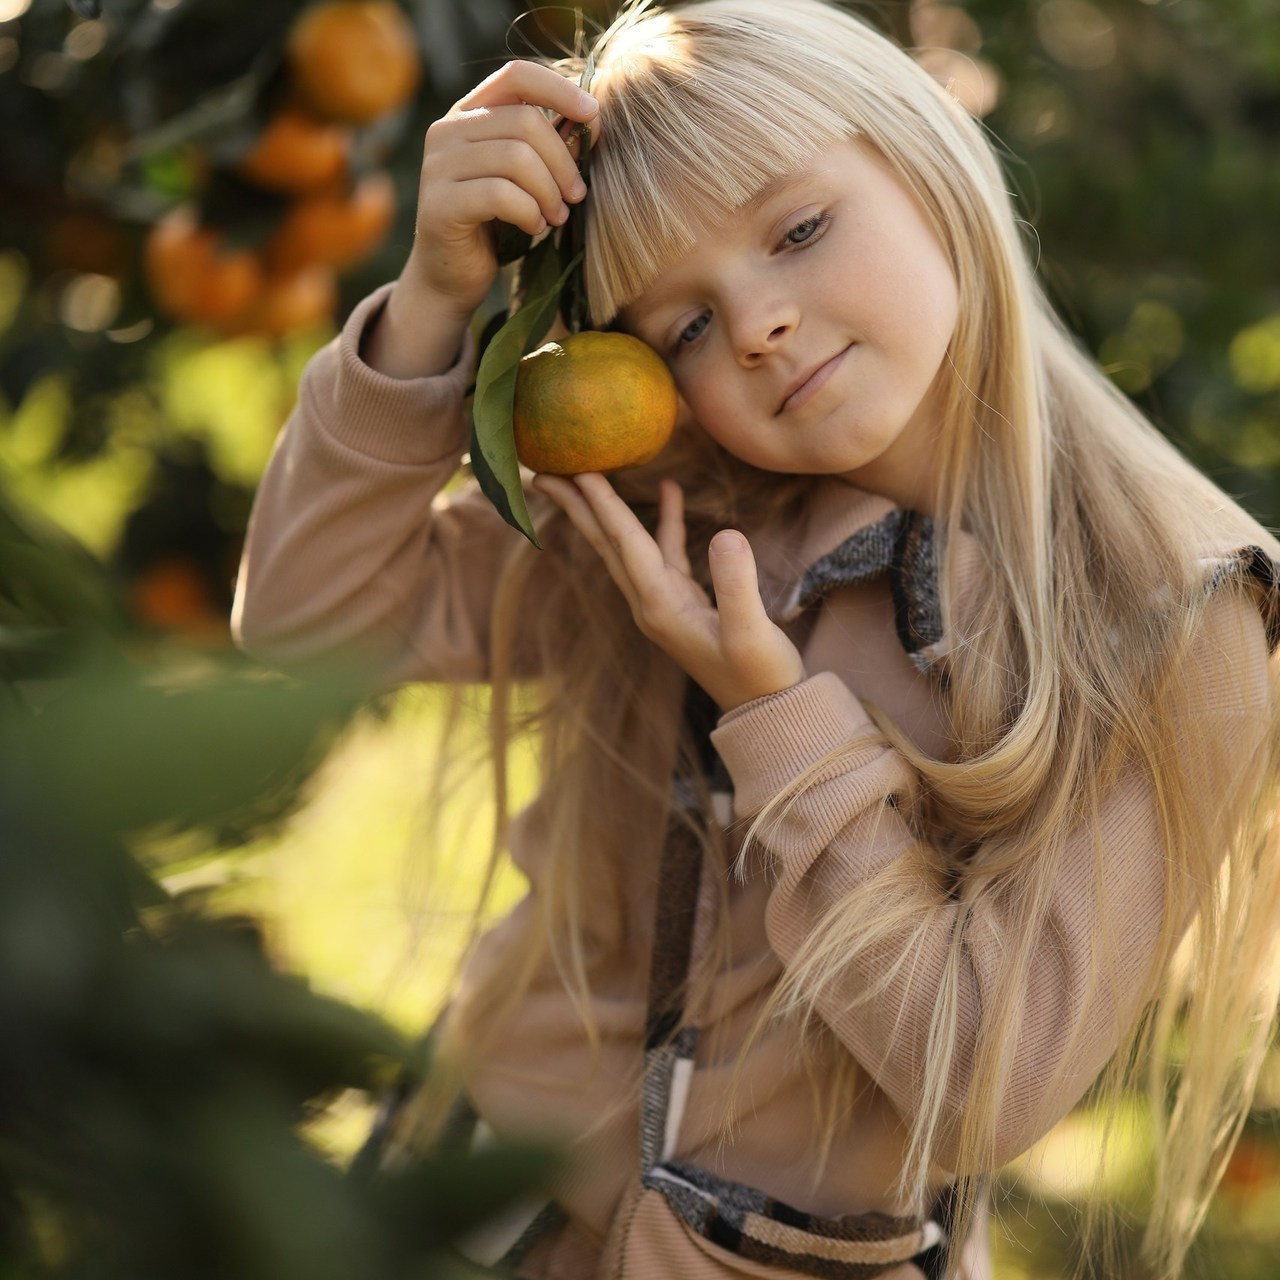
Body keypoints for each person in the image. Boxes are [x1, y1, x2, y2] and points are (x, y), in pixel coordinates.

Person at [231, 1, 1280, 1276]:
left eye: (796, 229)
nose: (754, 325)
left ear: (924, 155)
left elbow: (983, 1082)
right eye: (679, 324)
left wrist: (774, 717)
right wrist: (432, 301)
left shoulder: (1173, 612)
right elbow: (305, 626)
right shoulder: (672, 500)